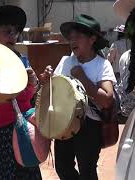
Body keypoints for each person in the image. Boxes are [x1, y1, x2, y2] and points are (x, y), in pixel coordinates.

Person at [39, 14, 116, 180]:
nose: (73, 41)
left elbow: (107, 99)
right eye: (71, 37)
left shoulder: (102, 65)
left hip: (89, 126)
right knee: (62, 167)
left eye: (78, 36)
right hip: (64, 124)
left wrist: (83, 78)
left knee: (87, 170)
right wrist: (46, 81)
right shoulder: (66, 61)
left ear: (92, 39)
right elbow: (55, 91)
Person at [0, 5, 41, 179]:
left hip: (21, 138)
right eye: (7, 31)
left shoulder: (21, 61)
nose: (14, 36)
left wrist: (33, 86)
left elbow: (28, 101)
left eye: (16, 31)